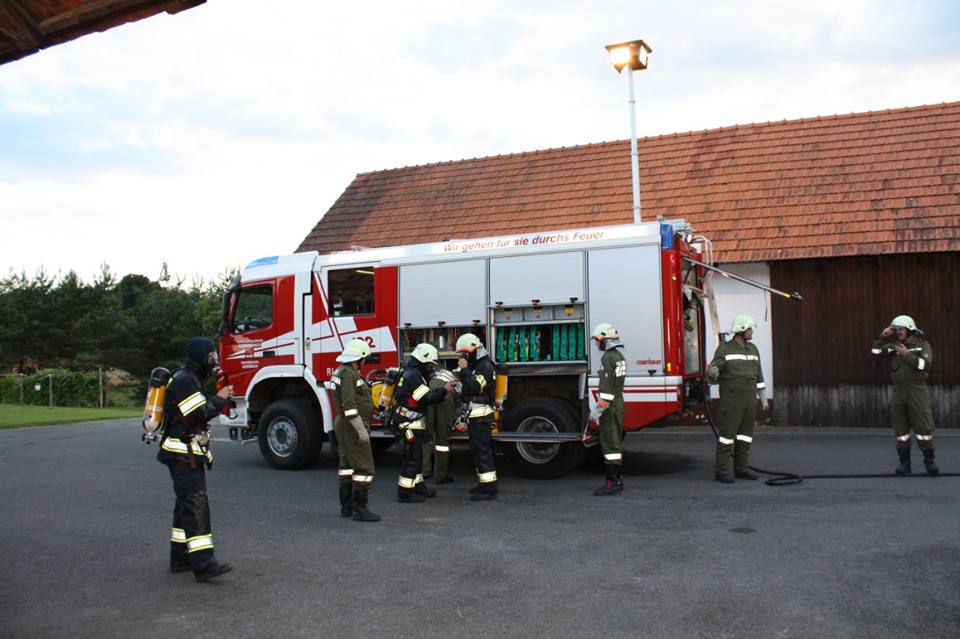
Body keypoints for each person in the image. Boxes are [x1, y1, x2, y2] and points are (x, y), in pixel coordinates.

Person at [158, 337, 233, 583]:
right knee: (195, 504)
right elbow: (198, 415)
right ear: (201, 357)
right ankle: (204, 564)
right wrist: (220, 398)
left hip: (184, 453)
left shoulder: (191, 378)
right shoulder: (184, 380)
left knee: (185, 506)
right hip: (182, 454)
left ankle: (181, 558)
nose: (215, 360)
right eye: (211, 355)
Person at [871, 315, 939, 476]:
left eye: (900, 329)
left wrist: (906, 354)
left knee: (923, 428)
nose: (898, 332)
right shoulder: (893, 346)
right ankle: (904, 464)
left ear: (909, 329)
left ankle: (929, 462)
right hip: (898, 392)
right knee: (901, 429)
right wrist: (883, 336)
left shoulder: (922, 345)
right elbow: (875, 352)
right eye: (895, 329)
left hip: (917, 391)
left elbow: (925, 365)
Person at [708, 315, 767, 484]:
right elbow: (713, 372)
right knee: (727, 436)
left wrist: (763, 397)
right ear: (741, 330)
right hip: (732, 401)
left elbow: (759, 375)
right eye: (750, 329)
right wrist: (712, 372)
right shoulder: (724, 349)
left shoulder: (753, 349)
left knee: (745, 436)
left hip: (750, 401)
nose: (752, 332)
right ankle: (722, 471)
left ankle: (741, 469)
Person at [393, 343, 454, 502]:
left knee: (417, 457)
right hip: (408, 425)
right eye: (429, 365)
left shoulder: (413, 373)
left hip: (412, 423)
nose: (431, 368)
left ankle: (418, 487)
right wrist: (444, 390)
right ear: (423, 361)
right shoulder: (413, 376)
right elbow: (426, 398)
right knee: (411, 460)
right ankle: (405, 493)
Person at [330, 338, 380, 522]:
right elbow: (349, 406)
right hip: (352, 424)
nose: (365, 362)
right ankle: (360, 509)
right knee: (364, 466)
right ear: (359, 359)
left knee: (346, 465)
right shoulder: (348, 374)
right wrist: (360, 430)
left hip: (344, 423)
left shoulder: (341, 371)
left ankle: (347, 507)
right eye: (364, 359)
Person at [456, 333, 499, 501]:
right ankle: (483, 483)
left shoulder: (485, 366)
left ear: (474, 351)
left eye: (465, 354)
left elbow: (475, 386)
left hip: (481, 417)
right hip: (474, 416)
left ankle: (489, 489)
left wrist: (464, 370)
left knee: (482, 452)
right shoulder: (477, 365)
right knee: (477, 452)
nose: (463, 357)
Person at [590, 323, 627, 496]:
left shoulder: (608, 358)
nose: (596, 344)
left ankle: (613, 483)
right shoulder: (619, 356)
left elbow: (606, 393)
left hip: (610, 407)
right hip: (618, 402)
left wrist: (596, 412)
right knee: (615, 442)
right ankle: (617, 480)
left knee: (610, 444)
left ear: (604, 340)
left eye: (597, 340)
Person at [422, 367, 460, 484]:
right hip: (446, 397)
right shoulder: (460, 375)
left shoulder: (432, 373)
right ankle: (440, 474)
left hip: (430, 395)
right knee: (442, 437)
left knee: (427, 435)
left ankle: (424, 470)